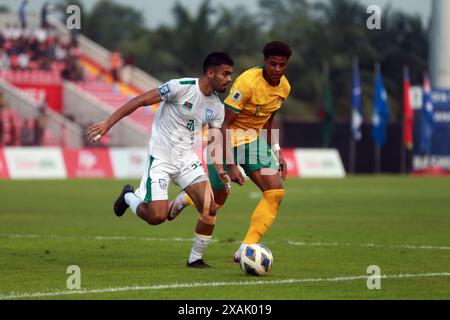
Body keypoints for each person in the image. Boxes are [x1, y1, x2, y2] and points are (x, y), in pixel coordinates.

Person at [86, 52, 234, 268]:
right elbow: (139, 100)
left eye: (231, 74)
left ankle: (195, 259)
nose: (229, 79)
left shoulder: (217, 108)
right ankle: (129, 196)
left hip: (186, 160)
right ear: (210, 72)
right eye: (225, 74)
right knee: (157, 217)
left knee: (209, 207)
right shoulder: (180, 87)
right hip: (161, 158)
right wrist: (108, 122)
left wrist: (220, 169)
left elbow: (214, 142)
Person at [169, 41, 292, 262]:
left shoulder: (284, 87)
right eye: (272, 64)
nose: (276, 69)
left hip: (252, 141)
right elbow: (223, 125)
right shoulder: (246, 83)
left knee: (275, 191)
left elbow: (270, 118)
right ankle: (186, 198)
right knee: (217, 201)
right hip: (227, 140)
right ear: (264, 61)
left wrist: (276, 150)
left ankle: (247, 247)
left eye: (281, 65)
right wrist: (231, 165)